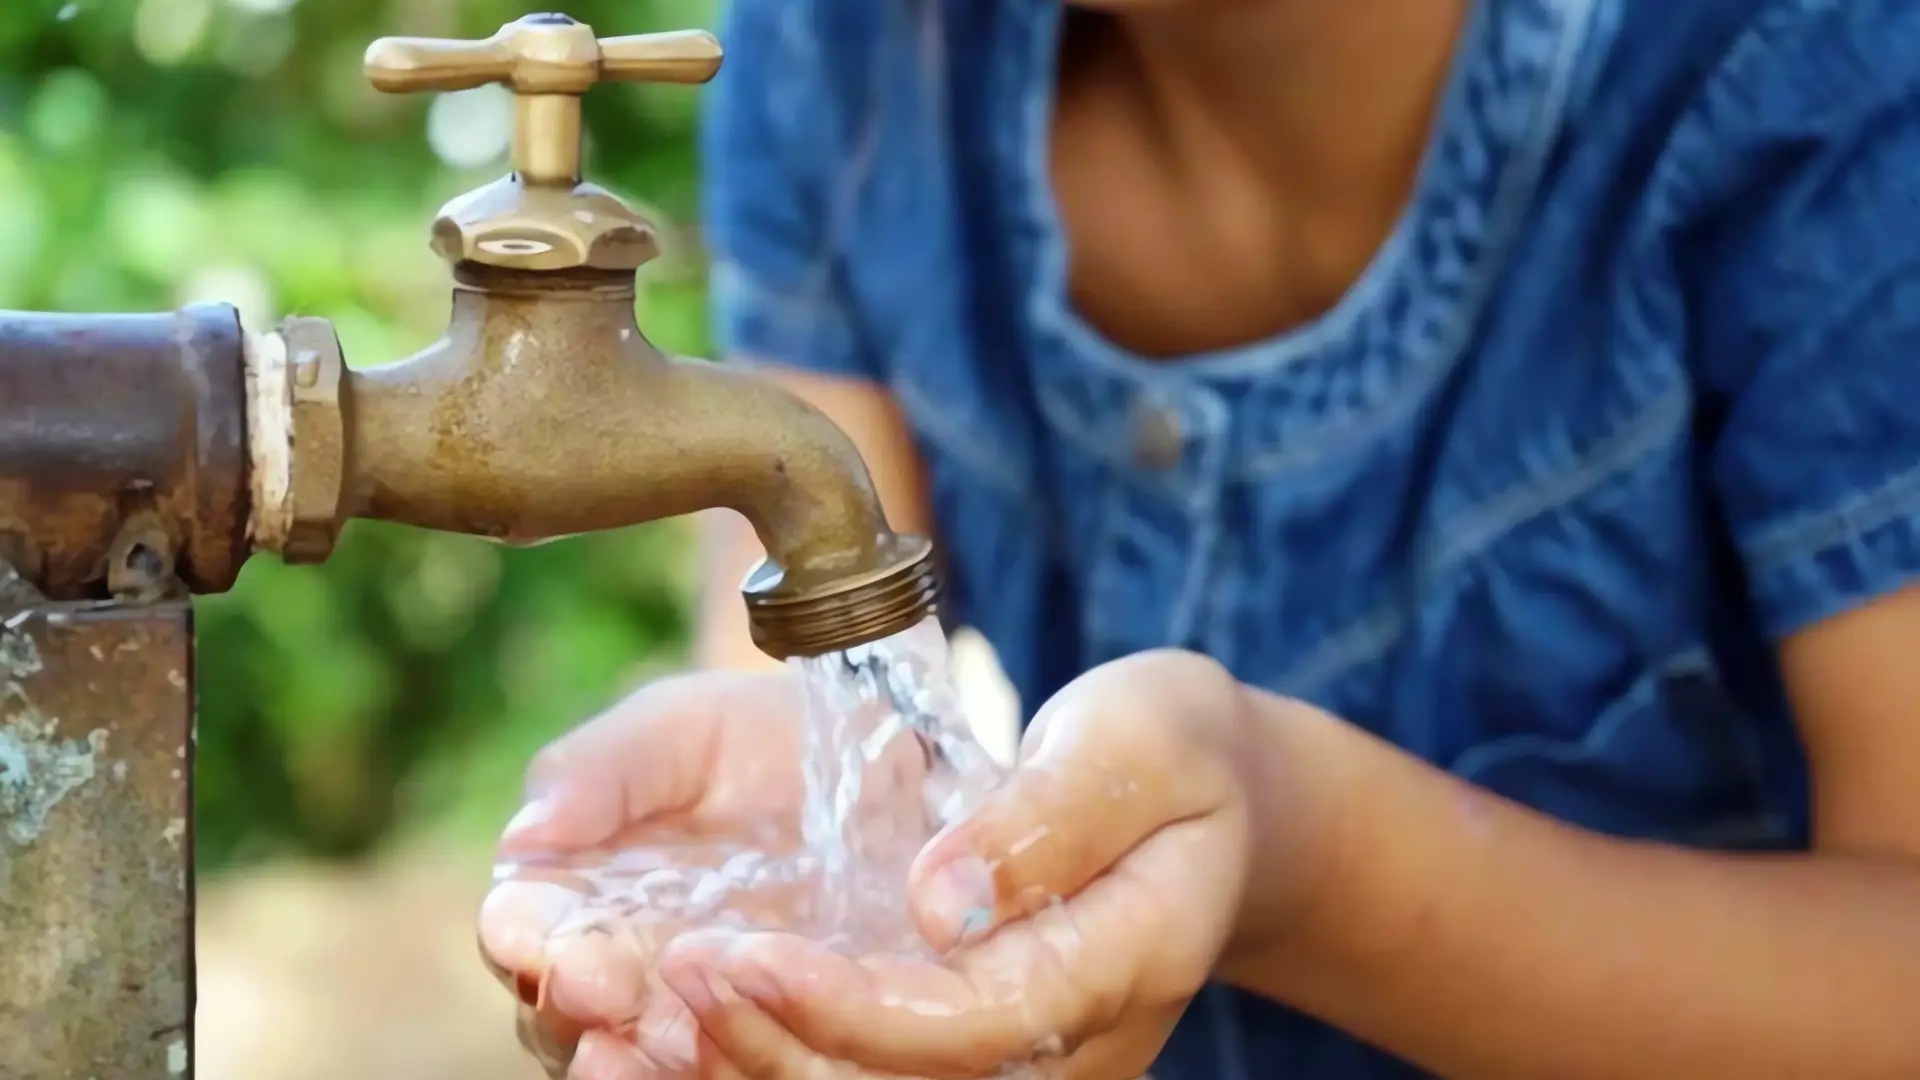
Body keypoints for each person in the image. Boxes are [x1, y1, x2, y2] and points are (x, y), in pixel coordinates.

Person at [478, 0, 1920, 1076]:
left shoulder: (1809, 77)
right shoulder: (843, 51)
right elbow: (817, 658)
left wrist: (1304, 860)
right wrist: (755, 933)